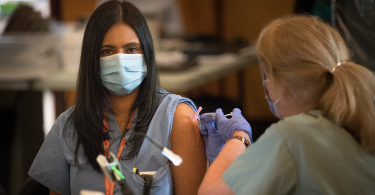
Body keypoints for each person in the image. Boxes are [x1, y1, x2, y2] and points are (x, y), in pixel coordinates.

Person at [28, 1, 207, 195]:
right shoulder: (68, 126)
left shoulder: (178, 119)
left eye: (131, 49)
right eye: (107, 51)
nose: (120, 60)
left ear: (146, 54)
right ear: (91, 59)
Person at [198, 15, 375, 195]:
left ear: (283, 82)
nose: (266, 83)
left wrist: (238, 137)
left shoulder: (294, 135)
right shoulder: (360, 116)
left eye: (267, 75)